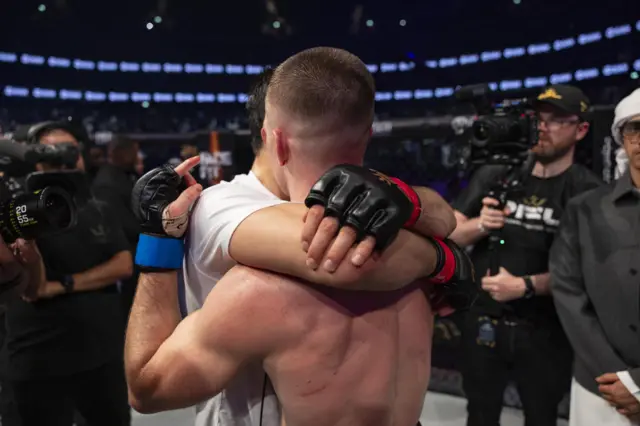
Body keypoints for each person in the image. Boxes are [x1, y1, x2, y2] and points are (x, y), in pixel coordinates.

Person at [126, 48, 465, 426]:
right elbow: (353, 261)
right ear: (369, 134)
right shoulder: (222, 205)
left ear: (277, 141)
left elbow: (147, 389)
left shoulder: (254, 289)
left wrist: (157, 243)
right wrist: (443, 259)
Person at [449, 84, 603, 426]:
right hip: (484, 322)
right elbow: (452, 234)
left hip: (545, 331)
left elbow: (588, 273)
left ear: (581, 129)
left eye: (556, 120)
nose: (542, 127)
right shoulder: (496, 173)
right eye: (538, 118)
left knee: (541, 417)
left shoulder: (587, 191)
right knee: (479, 415)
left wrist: (526, 286)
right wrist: (481, 226)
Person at [3, 124, 133, 426]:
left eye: (70, 151)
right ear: (33, 158)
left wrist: (64, 284)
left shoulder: (99, 206)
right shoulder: (17, 208)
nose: (63, 160)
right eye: (51, 152)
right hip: (38, 358)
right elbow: (32, 289)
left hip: (101, 356)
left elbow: (123, 264)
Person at [550, 88, 640, 426]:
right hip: (601, 388)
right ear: (622, 137)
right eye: (635, 128)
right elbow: (568, 294)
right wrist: (620, 380)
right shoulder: (583, 209)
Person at [92, 136, 142, 316]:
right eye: (134, 153)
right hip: (125, 252)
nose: (137, 157)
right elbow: (118, 222)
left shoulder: (124, 176)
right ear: (118, 153)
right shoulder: (107, 183)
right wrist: (152, 228)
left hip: (135, 248)